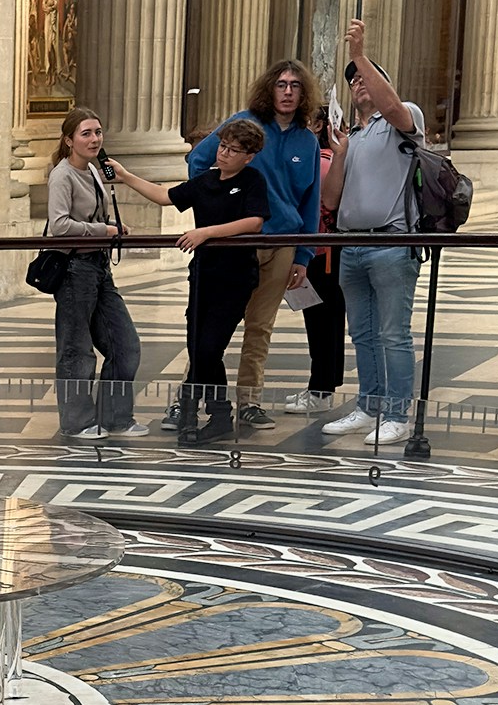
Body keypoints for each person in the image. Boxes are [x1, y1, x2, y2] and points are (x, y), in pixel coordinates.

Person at [175, 59, 321, 432]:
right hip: (237, 243)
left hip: (283, 243)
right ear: (269, 89)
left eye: (295, 86)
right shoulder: (245, 124)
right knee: (210, 328)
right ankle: (190, 397)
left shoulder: (307, 140)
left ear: (304, 94)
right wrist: (216, 206)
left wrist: (303, 255)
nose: (288, 92)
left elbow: (310, 201)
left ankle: (250, 401)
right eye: (281, 84)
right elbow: (199, 160)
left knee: (260, 326)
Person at [109, 118, 271, 445]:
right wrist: (125, 177)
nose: (224, 154)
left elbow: (254, 222)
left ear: (248, 156)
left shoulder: (253, 180)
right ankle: (216, 412)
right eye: (223, 146)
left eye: (233, 150)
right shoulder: (206, 180)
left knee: (210, 346)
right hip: (204, 275)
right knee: (198, 347)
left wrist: (205, 233)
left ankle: (201, 407)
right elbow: (164, 196)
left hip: (236, 276)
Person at [320, 19, 425, 445]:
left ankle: (397, 412)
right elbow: (330, 199)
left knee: (392, 332)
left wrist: (360, 56)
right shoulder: (356, 137)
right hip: (353, 246)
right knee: (361, 332)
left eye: (367, 77)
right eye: (353, 80)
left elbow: (394, 107)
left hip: (391, 243)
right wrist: (341, 150)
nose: (359, 82)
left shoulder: (405, 119)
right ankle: (369, 405)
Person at [45, 107, 145, 439]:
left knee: (125, 344)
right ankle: (77, 421)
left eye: (98, 132)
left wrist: (109, 229)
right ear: (69, 140)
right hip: (75, 270)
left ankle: (115, 417)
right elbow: (59, 225)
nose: (94, 139)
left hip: (99, 267)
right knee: (76, 348)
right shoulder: (62, 175)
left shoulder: (93, 169)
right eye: (86, 133)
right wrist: (102, 229)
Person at [284, 106, 348, 415]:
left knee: (322, 322)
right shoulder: (324, 160)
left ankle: (321, 389)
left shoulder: (322, 162)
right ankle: (322, 386)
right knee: (326, 320)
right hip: (324, 252)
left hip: (320, 254)